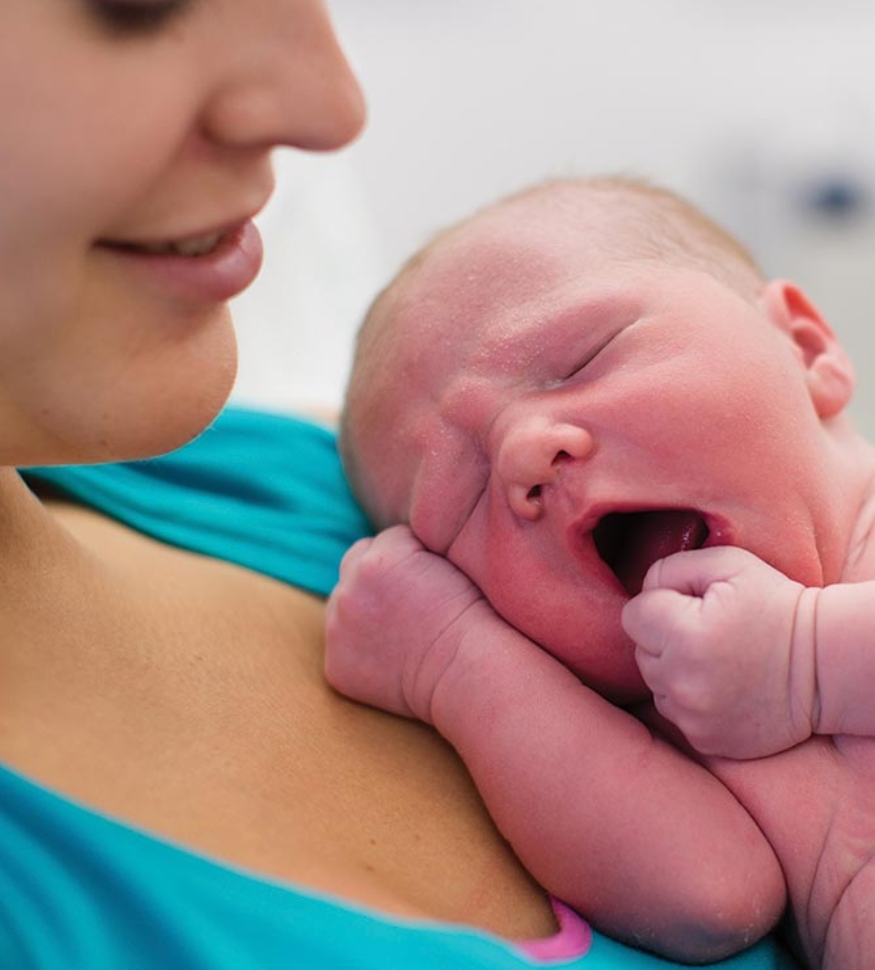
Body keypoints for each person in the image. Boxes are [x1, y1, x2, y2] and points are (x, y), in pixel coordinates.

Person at [0, 6, 799, 970]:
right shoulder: (408, 520)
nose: (329, 109)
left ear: (809, 349)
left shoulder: (303, 479)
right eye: (139, 3)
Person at [326, 175, 875, 969]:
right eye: (462, 501)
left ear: (805, 348)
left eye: (580, 362)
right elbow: (712, 898)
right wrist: (453, 661)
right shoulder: (680, 729)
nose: (523, 452)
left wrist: (807, 659)